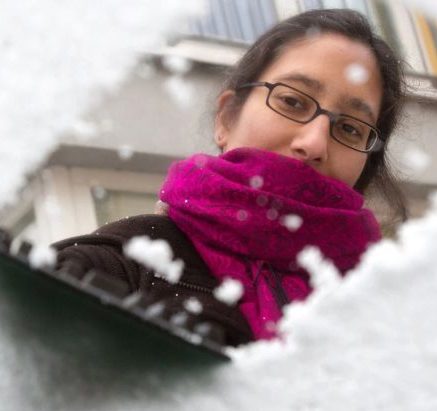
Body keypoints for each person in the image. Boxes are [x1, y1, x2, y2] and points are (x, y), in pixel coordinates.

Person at [53, 8, 407, 347]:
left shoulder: (390, 306)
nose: (314, 143)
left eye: (349, 128)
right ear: (226, 118)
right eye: (292, 102)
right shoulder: (124, 265)